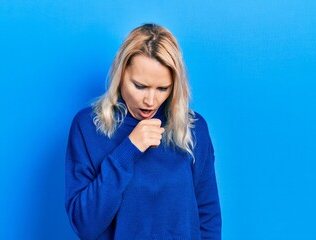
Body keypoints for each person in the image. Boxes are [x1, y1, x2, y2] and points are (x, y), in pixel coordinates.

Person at [65, 23, 221, 240]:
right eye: (139, 86)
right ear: (120, 75)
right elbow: (85, 225)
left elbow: (208, 217)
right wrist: (129, 150)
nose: (150, 100)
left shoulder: (193, 128)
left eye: (162, 88)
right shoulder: (88, 126)